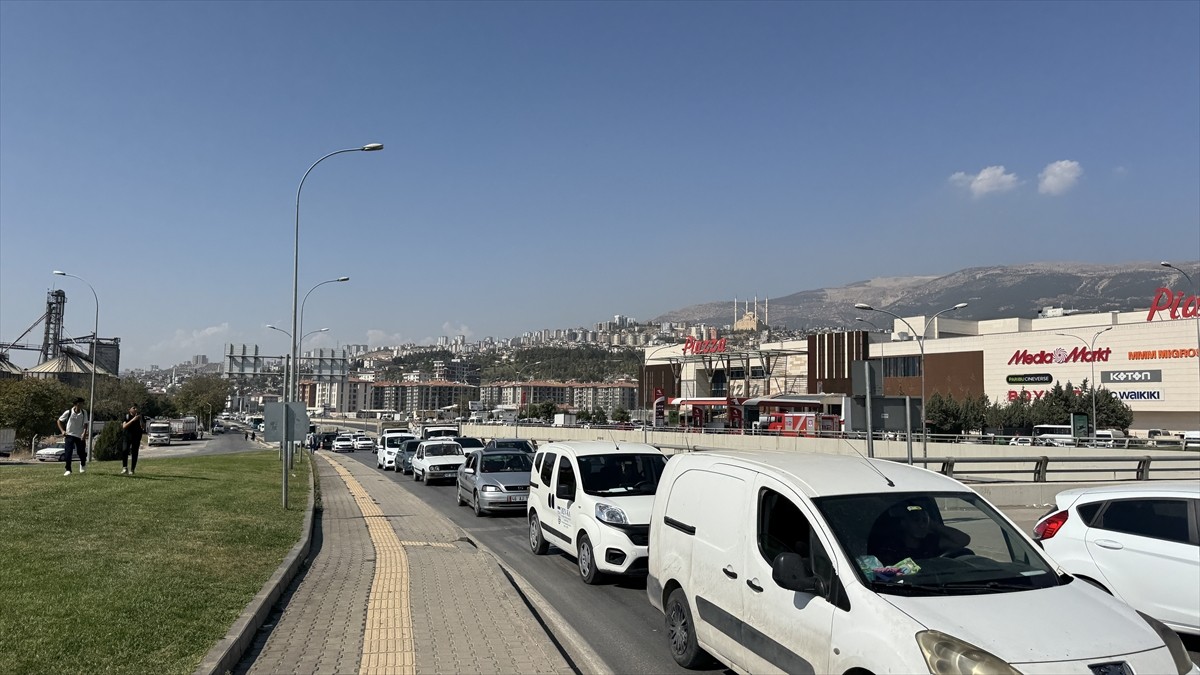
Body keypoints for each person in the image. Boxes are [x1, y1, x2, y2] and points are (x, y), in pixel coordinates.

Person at [869, 500, 972, 566]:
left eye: (924, 521)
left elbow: (963, 540)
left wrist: (933, 525)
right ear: (904, 523)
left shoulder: (931, 541)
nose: (922, 525)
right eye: (916, 520)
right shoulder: (891, 547)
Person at [57, 397, 89, 476]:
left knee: (81, 452)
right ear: (75, 404)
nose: (81, 405)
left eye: (82, 403)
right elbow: (59, 421)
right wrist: (62, 431)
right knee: (68, 452)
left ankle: (82, 464)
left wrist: (84, 433)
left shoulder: (84, 412)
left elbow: (85, 424)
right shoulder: (68, 412)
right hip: (69, 435)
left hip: (80, 435)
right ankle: (68, 469)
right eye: (79, 403)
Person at [120, 405, 146, 475]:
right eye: (133, 408)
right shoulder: (126, 416)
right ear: (129, 409)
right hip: (127, 436)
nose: (135, 409)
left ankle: (132, 469)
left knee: (135, 452)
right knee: (125, 450)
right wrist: (133, 420)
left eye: (136, 408)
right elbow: (124, 426)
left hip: (136, 437)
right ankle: (125, 467)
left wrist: (140, 419)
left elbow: (143, 427)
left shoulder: (141, 416)